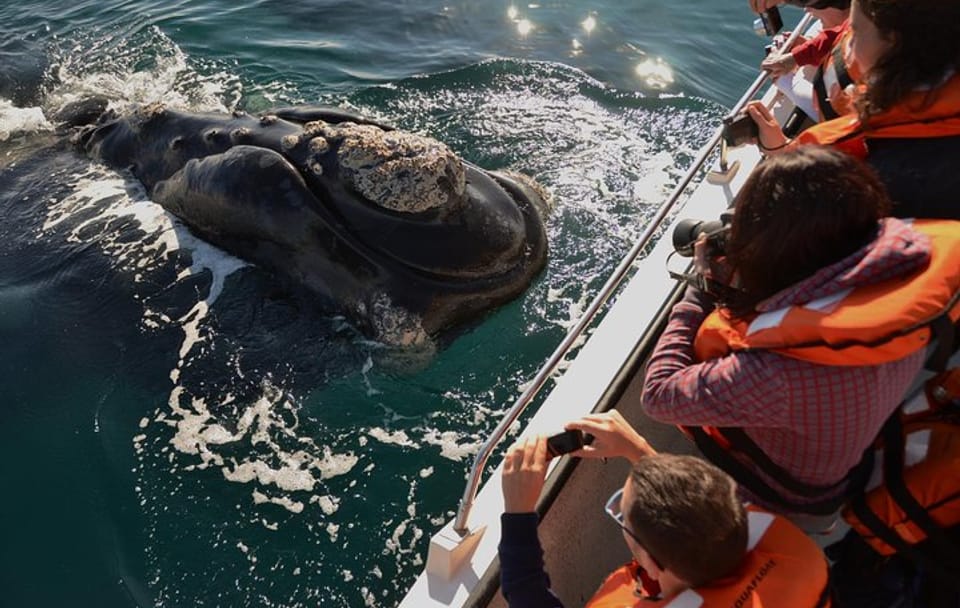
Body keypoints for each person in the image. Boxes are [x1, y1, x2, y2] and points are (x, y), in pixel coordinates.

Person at [639, 146, 960, 524]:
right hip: (848, 452)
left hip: (783, 496)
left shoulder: (774, 374)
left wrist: (701, 288)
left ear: (775, 252)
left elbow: (657, 395)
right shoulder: (908, 283)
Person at [497, 424, 834, 607]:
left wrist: (517, 512)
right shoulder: (793, 555)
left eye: (622, 516)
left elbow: (528, 594)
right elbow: (695, 504)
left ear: (653, 564)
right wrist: (640, 451)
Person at [747, 0, 960, 219]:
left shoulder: (895, 176)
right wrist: (795, 58)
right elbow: (841, 33)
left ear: (893, 42)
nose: (847, 44)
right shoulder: (915, 62)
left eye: (856, 33)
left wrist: (778, 151)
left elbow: (819, 207)